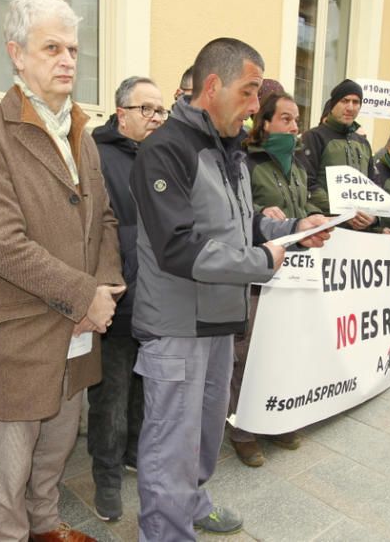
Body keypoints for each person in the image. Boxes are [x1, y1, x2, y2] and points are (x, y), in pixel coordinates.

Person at [130, 37, 331, 541]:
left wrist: (294, 232)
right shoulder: (165, 149)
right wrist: (264, 261)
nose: (253, 107)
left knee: (202, 437)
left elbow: (241, 229)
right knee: (169, 445)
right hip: (177, 326)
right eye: (247, 92)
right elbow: (179, 248)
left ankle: (192, 503)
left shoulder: (229, 149)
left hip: (220, 319)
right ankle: (166, 532)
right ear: (212, 85)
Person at [0, 0, 124, 542]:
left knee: (57, 443)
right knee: (9, 463)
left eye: (72, 48)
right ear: (16, 54)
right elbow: (3, 246)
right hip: (22, 330)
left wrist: (105, 288)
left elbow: (105, 218)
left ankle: (46, 527)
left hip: (79, 322)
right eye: (52, 48)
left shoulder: (82, 129)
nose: (68, 60)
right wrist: (85, 297)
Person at [87, 76, 166, 522]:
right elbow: (96, 229)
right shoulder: (96, 156)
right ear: (121, 113)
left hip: (157, 299)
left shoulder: (161, 156)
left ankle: (135, 453)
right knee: (110, 396)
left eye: (160, 110)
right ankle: (107, 479)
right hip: (117, 298)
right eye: (147, 110)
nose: (156, 118)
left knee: (144, 388)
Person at [228, 92, 320, 468]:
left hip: (296, 272)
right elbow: (237, 215)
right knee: (246, 354)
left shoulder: (297, 165)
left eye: (297, 120)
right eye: (285, 119)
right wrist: (261, 213)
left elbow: (304, 206)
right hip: (260, 271)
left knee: (283, 349)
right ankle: (242, 429)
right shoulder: (247, 163)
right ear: (264, 123)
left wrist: (317, 216)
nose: (294, 127)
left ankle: (275, 418)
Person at [298, 79, 377, 230]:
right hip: (325, 226)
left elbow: (374, 186)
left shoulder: (363, 143)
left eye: (356, 102)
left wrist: (374, 219)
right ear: (333, 104)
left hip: (359, 230)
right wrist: (343, 212)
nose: (350, 107)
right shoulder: (314, 137)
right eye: (345, 101)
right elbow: (307, 182)